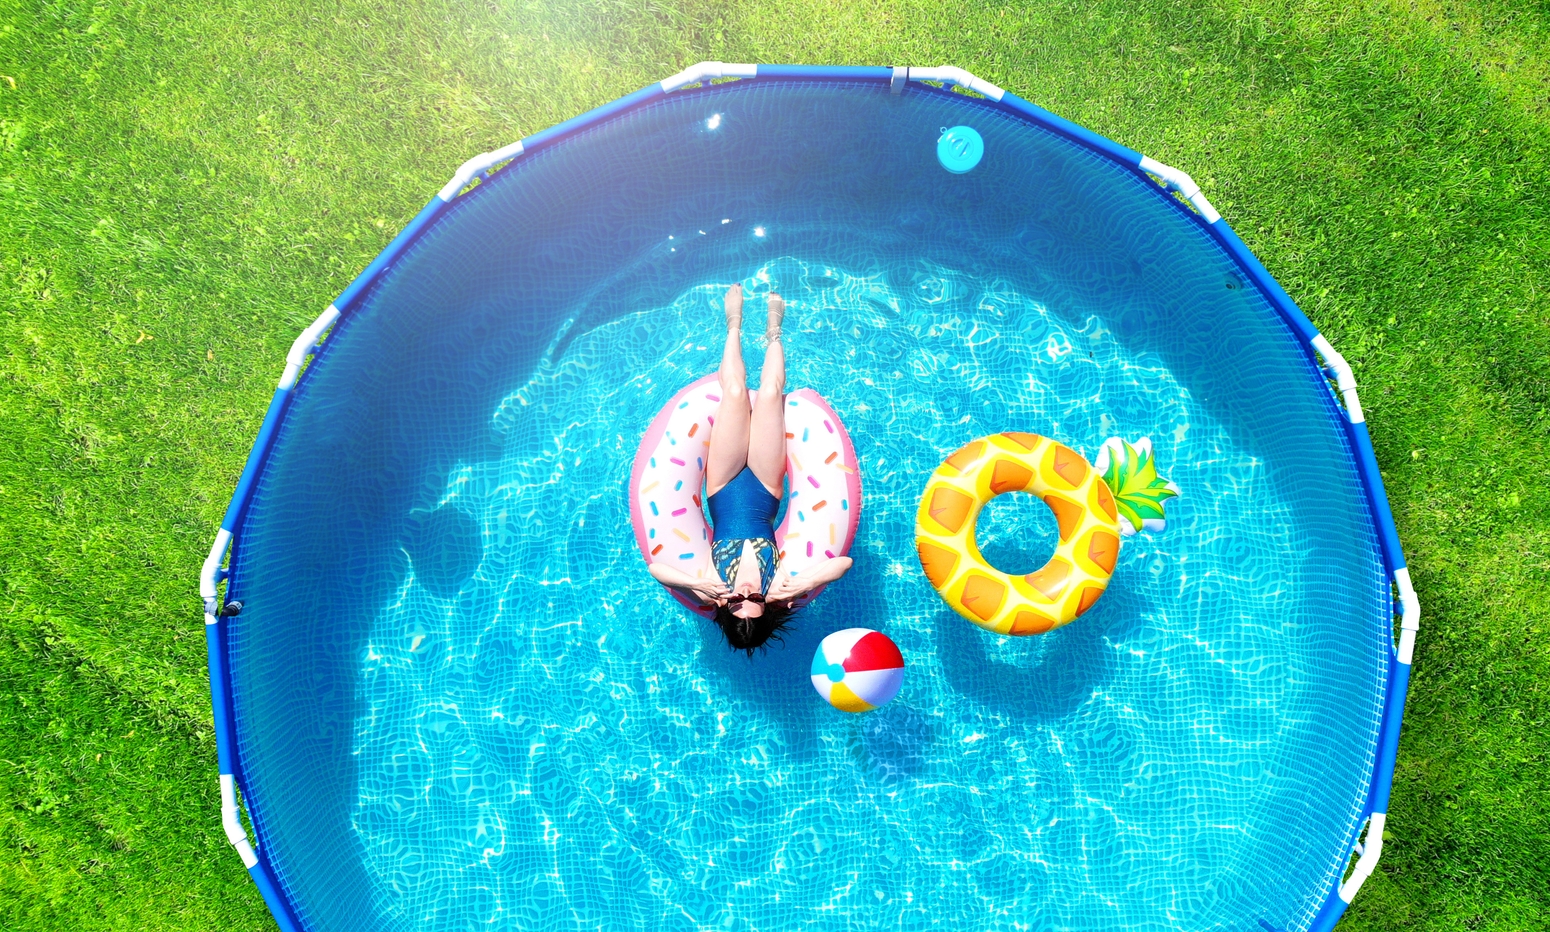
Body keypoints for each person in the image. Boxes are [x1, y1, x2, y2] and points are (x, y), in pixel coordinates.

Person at [647, 284, 853, 654]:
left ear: (724, 610)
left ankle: (734, 324)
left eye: (734, 605)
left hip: (723, 486)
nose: (742, 595)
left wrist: (696, 587)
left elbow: (656, 570)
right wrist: (802, 585)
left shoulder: (710, 588)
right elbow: (843, 563)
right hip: (764, 487)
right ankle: (775, 330)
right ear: (766, 610)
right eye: (752, 602)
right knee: (772, 394)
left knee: (737, 393)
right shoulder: (782, 588)